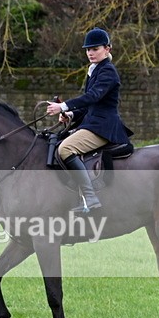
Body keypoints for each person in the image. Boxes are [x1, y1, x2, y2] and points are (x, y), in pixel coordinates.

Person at [46, 27, 131, 212]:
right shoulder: (94, 70)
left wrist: (63, 106)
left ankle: (90, 198)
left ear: (107, 49)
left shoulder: (107, 71)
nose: (90, 53)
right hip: (91, 123)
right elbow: (88, 107)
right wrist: (70, 115)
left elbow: (93, 96)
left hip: (103, 127)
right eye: (88, 49)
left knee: (65, 149)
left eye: (95, 49)